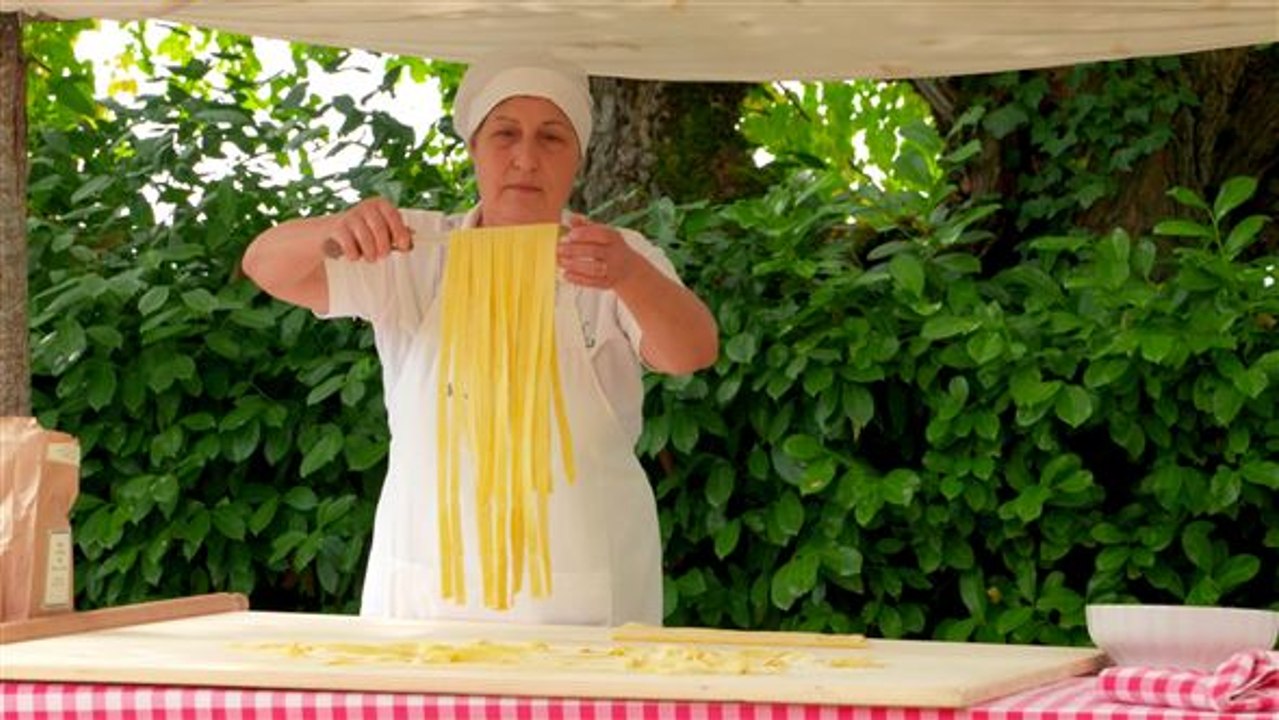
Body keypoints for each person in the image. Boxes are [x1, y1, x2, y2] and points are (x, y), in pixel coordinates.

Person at [241, 51, 719, 626]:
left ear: (578, 158)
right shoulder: (412, 247)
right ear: (472, 146)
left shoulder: (617, 255)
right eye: (505, 134)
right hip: (426, 591)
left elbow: (691, 351)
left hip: (581, 587)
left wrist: (630, 277)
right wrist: (333, 229)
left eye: (551, 138)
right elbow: (265, 266)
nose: (525, 158)